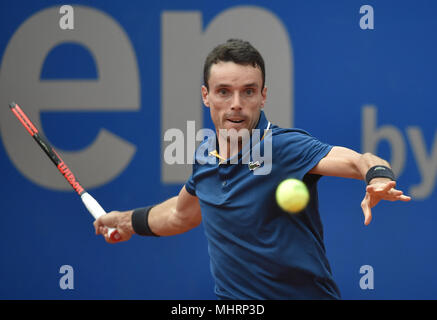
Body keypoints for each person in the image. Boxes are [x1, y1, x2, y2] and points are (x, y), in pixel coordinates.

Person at [94, 39, 411, 299]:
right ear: (206, 96)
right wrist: (126, 221)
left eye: (248, 91)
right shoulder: (206, 157)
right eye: (223, 92)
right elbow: (181, 214)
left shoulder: (283, 147)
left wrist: (378, 176)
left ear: (263, 96)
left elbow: (359, 160)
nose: (235, 103)